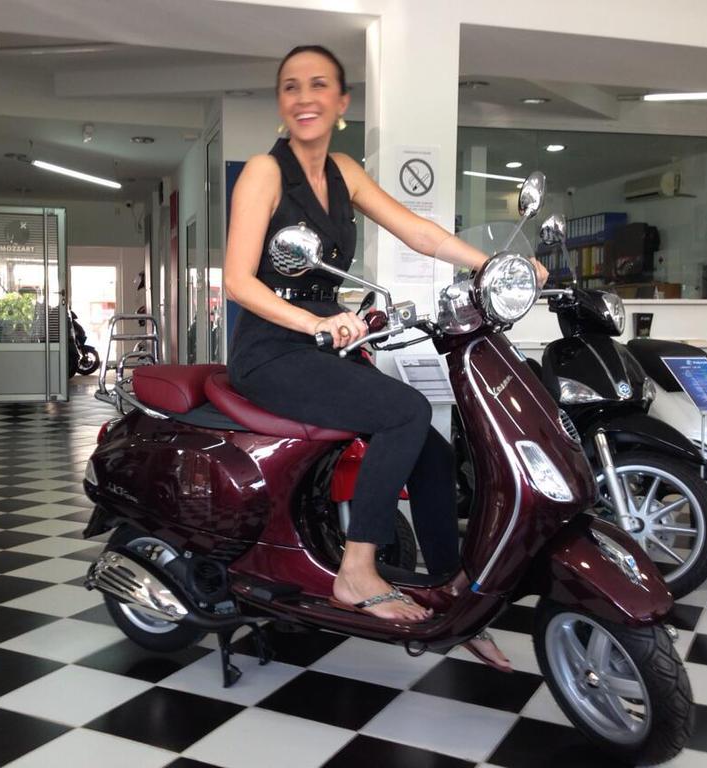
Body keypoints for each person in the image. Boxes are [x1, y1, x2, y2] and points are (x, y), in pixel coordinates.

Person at [223, 46, 548, 667]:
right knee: (405, 412)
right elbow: (238, 281)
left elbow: (417, 231)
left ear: (342, 101)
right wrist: (316, 322)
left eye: (319, 85)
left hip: (323, 342)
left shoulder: (344, 171)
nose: (305, 97)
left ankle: (452, 589)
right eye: (291, 86)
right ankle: (356, 570)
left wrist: (495, 266)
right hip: (271, 350)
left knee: (434, 451)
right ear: (281, 102)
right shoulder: (266, 172)